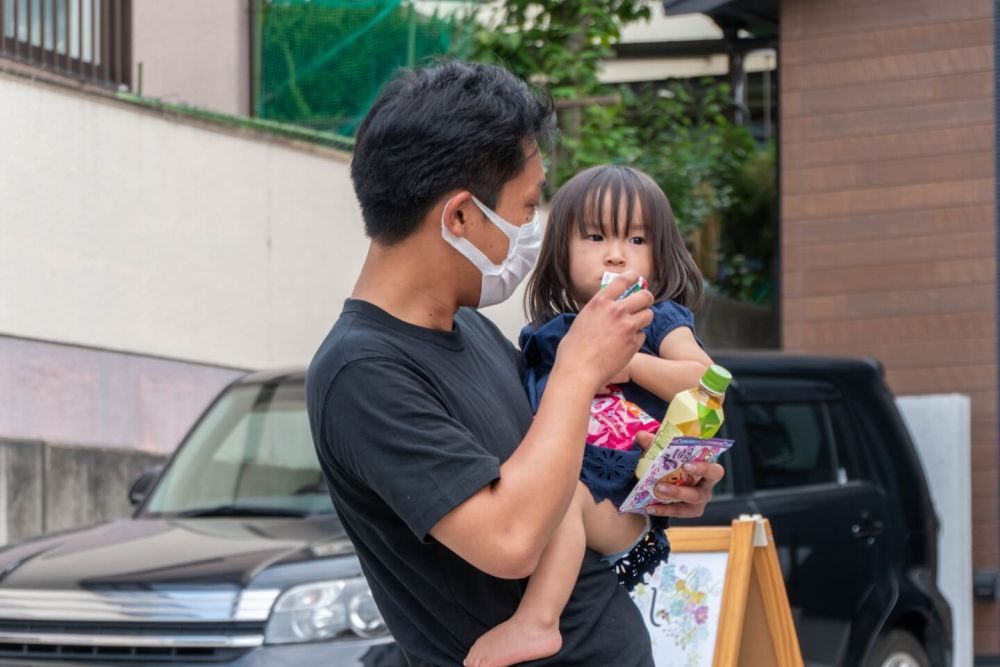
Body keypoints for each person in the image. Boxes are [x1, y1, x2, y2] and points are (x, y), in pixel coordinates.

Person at [306, 61, 724, 667]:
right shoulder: (362, 373)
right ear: (459, 217)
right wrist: (580, 369)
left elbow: (565, 484)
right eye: (526, 208)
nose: (533, 229)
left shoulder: (471, 331)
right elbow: (511, 540)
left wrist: (661, 486)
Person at [464, 165, 716, 667]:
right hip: (565, 494)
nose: (616, 252)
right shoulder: (546, 337)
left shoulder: (654, 318)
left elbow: (707, 383)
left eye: (637, 238)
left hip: (622, 497)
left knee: (565, 499)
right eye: (596, 236)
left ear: (660, 254)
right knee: (554, 493)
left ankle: (538, 621)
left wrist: (630, 363)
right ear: (560, 251)